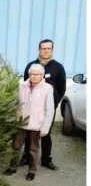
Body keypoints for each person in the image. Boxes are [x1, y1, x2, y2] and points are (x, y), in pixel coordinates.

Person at [19, 39, 66, 170]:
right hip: (32, 107)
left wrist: (55, 102)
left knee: (46, 133)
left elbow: (62, 88)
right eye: (43, 48)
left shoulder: (58, 67)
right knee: (29, 132)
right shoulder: (31, 65)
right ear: (39, 50)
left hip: (48, 108)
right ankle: (26, 157)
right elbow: (26, 84)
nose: (46, 51)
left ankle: (46, 159)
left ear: (52, 50)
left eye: (48, 49)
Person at [4, 63, 54, 180]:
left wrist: (45, 128)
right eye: (32, 74)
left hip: (36, 124)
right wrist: (12, 120)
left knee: (33, 149)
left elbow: (50, 110)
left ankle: (32, 171)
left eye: (37, 74)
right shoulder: (22, 86)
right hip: (21, 123)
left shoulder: (47, 88)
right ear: (28, 74)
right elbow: (15, 104)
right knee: (16, 146)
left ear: (42, 75)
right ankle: (12, 167)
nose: (34, 76)